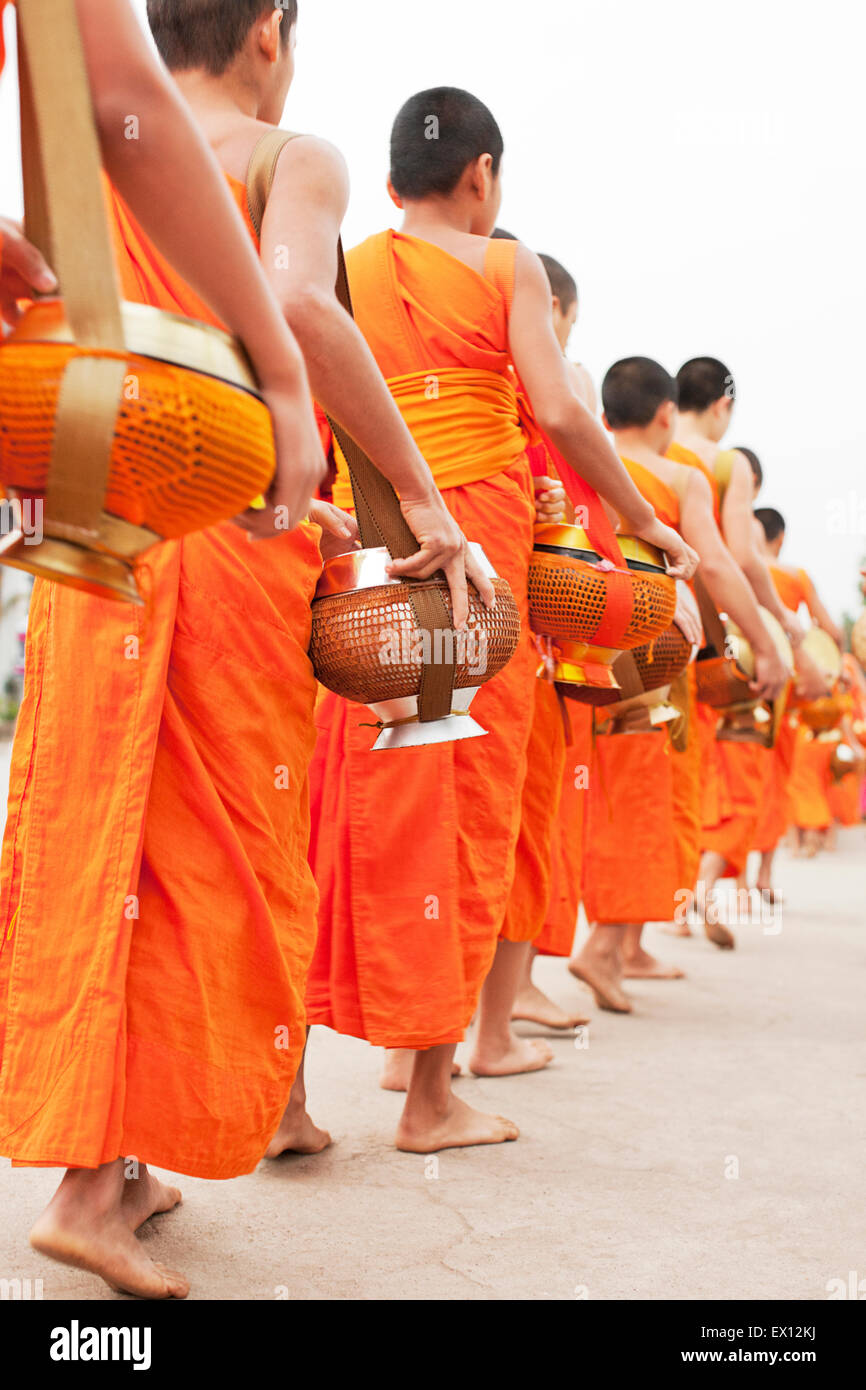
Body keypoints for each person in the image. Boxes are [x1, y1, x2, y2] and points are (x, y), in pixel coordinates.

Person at [0, 0, 472, 1302]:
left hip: (99, 517)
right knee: (212, 851)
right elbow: (303, 305)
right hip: (224, 518)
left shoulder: (84, 162)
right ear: (270, 31)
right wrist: (415, 498)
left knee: (109, 835)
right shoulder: (289, 154)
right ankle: (100, 1186)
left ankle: (120, 1162)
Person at [305, 88, 696, 1152]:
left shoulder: (353, 264)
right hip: (471, 560)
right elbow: (560, 410)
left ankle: (307, 1089)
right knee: (462, 808)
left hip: (370, 552)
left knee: (358, 801)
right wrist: (637, 521)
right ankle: (430, 1099)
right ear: (480, 174)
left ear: (391, 182)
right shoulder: (503, 266)